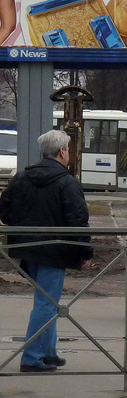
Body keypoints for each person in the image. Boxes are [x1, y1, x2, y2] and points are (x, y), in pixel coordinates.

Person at [0, 130, 92, 372]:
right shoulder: (67, 182)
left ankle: (48, 352)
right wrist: (85, 251)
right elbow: (78, 219)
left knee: (46, 301)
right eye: (68, 150)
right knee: (47, 303)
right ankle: (33, 356)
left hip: (26, 248)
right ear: (62, 152)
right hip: (55, 249)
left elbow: (5, 212)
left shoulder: (21, 178)